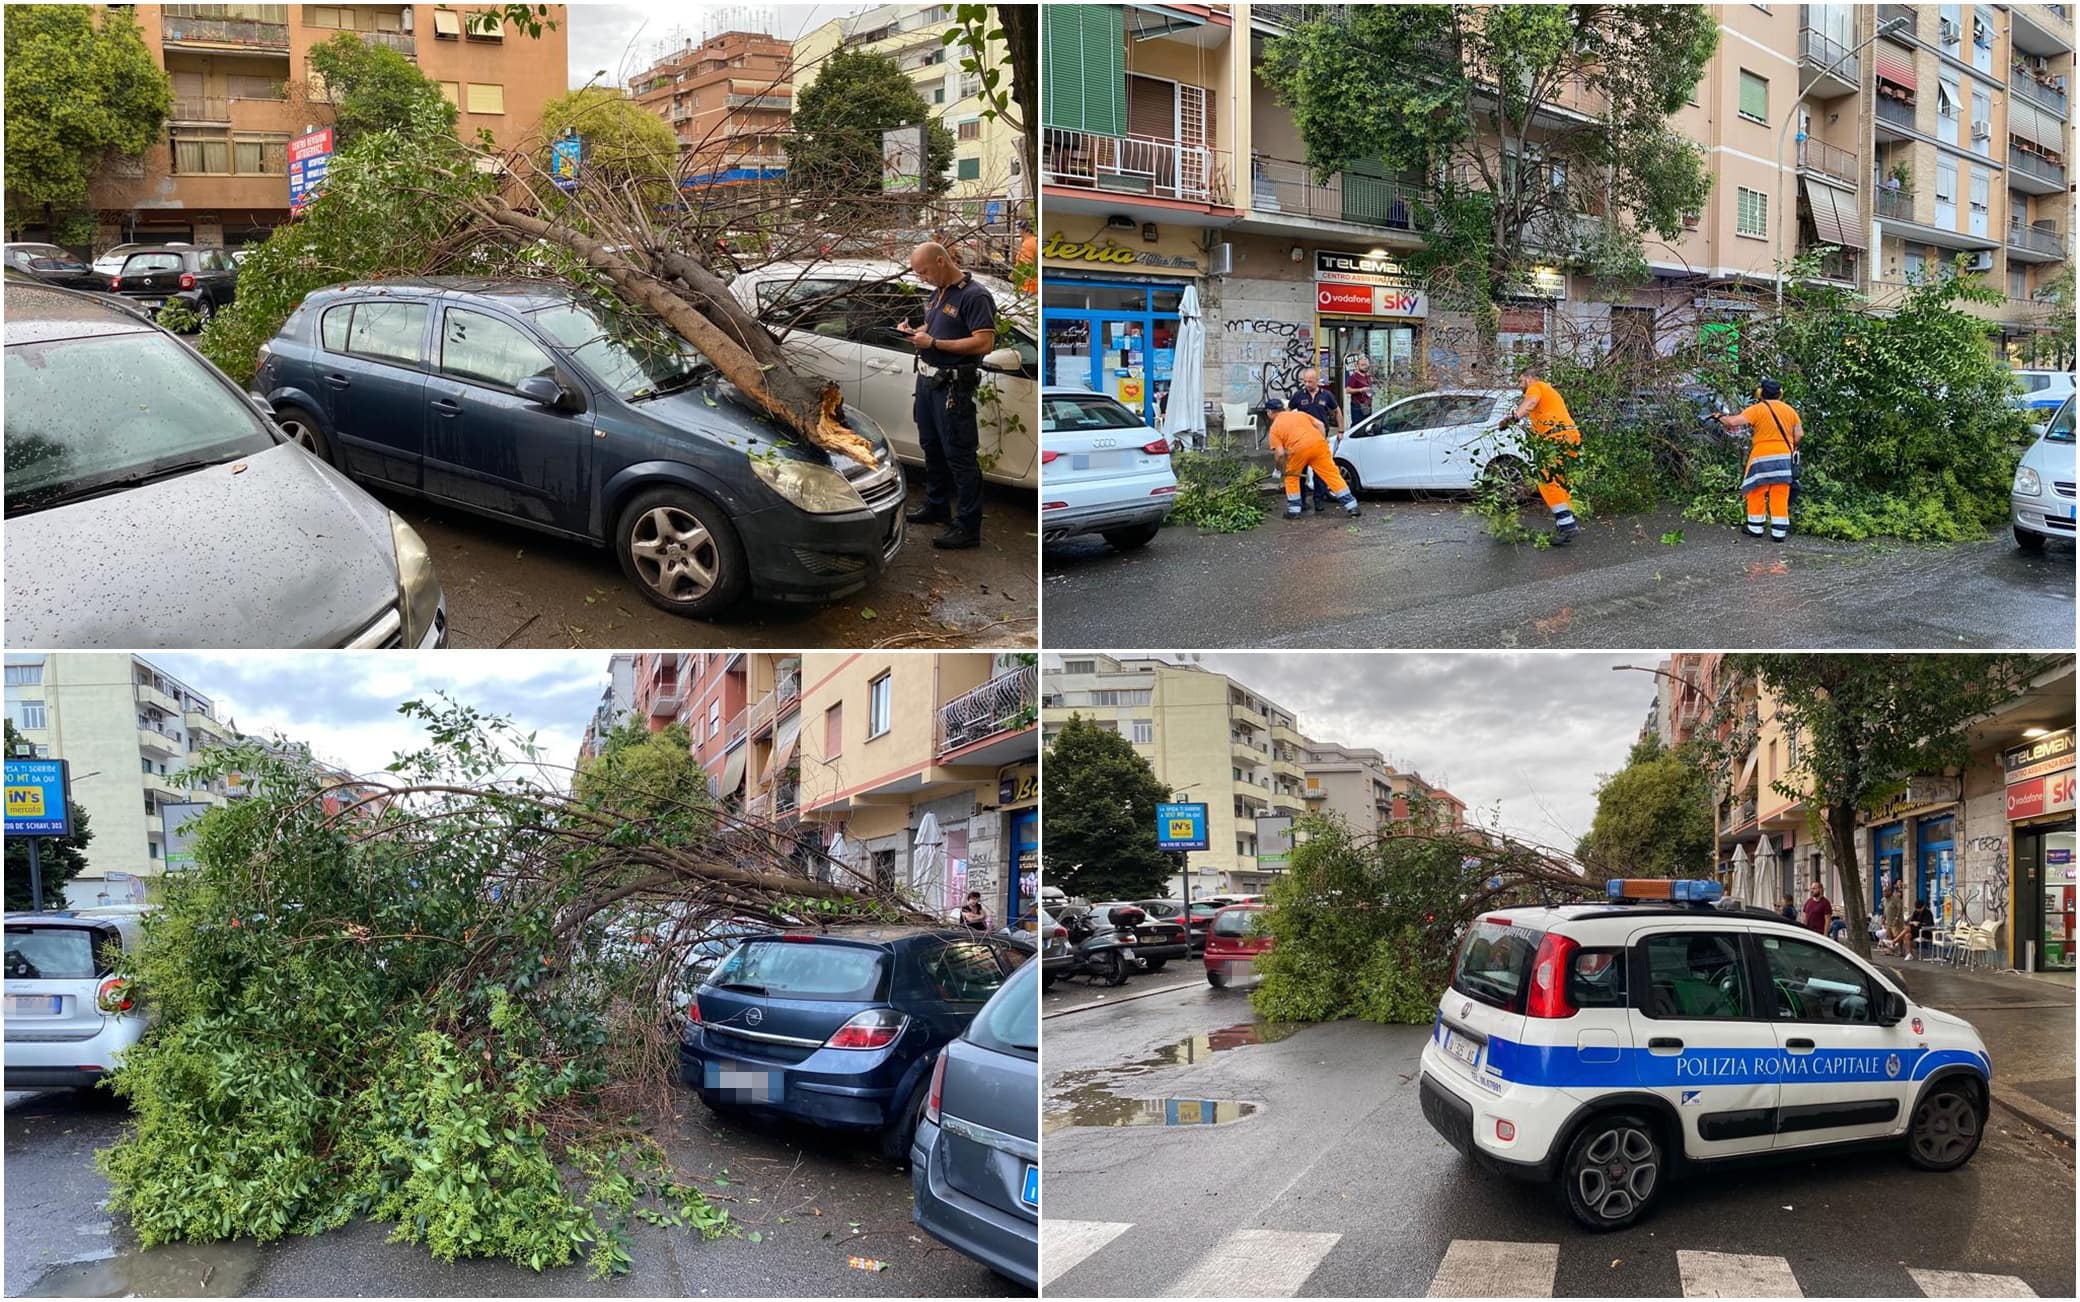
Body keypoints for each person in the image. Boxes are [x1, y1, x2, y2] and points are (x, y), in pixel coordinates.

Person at [897, 242, 996, 550]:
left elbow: (984, 343)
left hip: (953, 386)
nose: (922, 277)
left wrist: (935, 344)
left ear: (941, 261)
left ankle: (967, 526)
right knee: (931, 447)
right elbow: (935, 326)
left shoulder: (974, 296)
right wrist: (914, 332)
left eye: (924, 271)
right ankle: (936, 504)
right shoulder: (937, 293)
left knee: (959, 454)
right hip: (928, 382)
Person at [1498, 362, 1581, 544]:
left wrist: (1514, 417)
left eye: (1520, 381)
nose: (1520, 386)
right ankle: (1566, 522)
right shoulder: (1549, 391)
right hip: (1569, 436)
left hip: (1555, 438)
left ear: (1528, 379)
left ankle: (1568, 525)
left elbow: (1530, 402)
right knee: (1560, 481)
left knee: (1547, 481)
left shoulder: (1536, 387)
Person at [1715, 378, 1803, 541]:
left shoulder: (1757, 409)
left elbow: (1733, 421)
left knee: (1756, 490)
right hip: (1784, 458)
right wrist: (1791, 446)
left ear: (1760, 393)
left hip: (1761, 457)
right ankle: (1779, 533)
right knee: (1780, 493)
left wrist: (1719, 416)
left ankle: (1755, 528)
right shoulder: (1790, 411)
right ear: (1780, 393)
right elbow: (1799, 435)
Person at [1268, 407, 1360, 520]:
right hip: (1319, 445)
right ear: (1283, 408)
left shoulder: (1275, 427)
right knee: (1332, 474)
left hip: (1299, 449)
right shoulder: (1300, 414)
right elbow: (1320, 424)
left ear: (1269, 412)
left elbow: (1280, 454)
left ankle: (1294, 510)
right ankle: (1352, 506)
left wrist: (1278, 469)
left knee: (1291, 477)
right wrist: (1321, 440)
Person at [1287, 368, 1343, 513]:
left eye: (1310, 381)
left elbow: (1337, 411)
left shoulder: (1326, 395)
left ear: (1317, 381)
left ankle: (1319, 500)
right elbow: (1288, 413)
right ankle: (1302, 501)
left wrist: (1341, 430)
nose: (1307, 384)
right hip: (1302, 440)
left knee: (1320, 472)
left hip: (1319, 439)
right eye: (1304, 381)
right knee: (1300, 472)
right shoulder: (1299, 396)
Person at [1345, 353, 1374, 425]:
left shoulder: (1368, 376)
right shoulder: (1354, 376)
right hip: (1358, 406)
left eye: (1366, 365)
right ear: (1357, 366)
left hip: (1367, 405)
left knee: (1367, 425)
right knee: (1357, 426)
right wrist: (1360, 390)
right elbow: (1348, 390)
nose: (1365, 367)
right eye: (1362, 365)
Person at [1884, 880, 1910, 955]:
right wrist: (1883, 918)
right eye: (1883, 892)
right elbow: (1885, 909)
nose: (1884, 893)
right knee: (1889, 936)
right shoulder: (1885, 900)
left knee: (1897, 935)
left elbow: (1899, 908)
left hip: (1895, 921)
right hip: (1888, 921)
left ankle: (1900, 950)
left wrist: (1897, 918)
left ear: (1890, 891)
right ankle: (1890, 950)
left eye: (1885, 891)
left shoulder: (1895, 899)